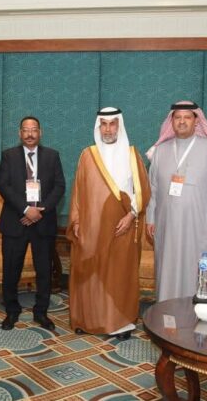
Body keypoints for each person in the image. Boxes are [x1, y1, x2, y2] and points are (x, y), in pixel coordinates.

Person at [66, 107, 150, 340]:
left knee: (118, 275)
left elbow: (143, 191)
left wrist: (131, 216)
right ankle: (88, 320)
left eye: (113, 124)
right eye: (103, 124)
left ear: (119, 126)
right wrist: (76, 220)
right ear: (98, 127)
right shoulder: (87, 155)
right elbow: (78, 190)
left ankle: (121, 323)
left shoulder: (132, 154)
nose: (108, 129)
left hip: (122, 226)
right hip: (92, 227)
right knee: (91, 273)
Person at [146, 101, 207, 302]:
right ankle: (166, 308)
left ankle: (200, 311)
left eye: (187, 117)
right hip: (167, 225)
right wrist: (150, 218)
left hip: (201, 225)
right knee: (168, 267)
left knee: (199, 269)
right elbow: (152, 188)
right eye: (177, 117)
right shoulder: (161, 151)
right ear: (172, 122)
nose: (182, 121)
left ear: (196, 121)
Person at [0, 116, 65, 331]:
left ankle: (41, 311)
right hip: (16, 221)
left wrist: (40, 210)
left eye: (34, 129)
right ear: (20, 133)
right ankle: (11, 310)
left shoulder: (52, 156)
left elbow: (59, 186)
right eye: (25, 130)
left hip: (43, 222)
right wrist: (27, 210)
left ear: (40, 133)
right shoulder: (9, 156)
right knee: (11, 269)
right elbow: (4, 186)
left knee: (44, 270)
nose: (29, 134)